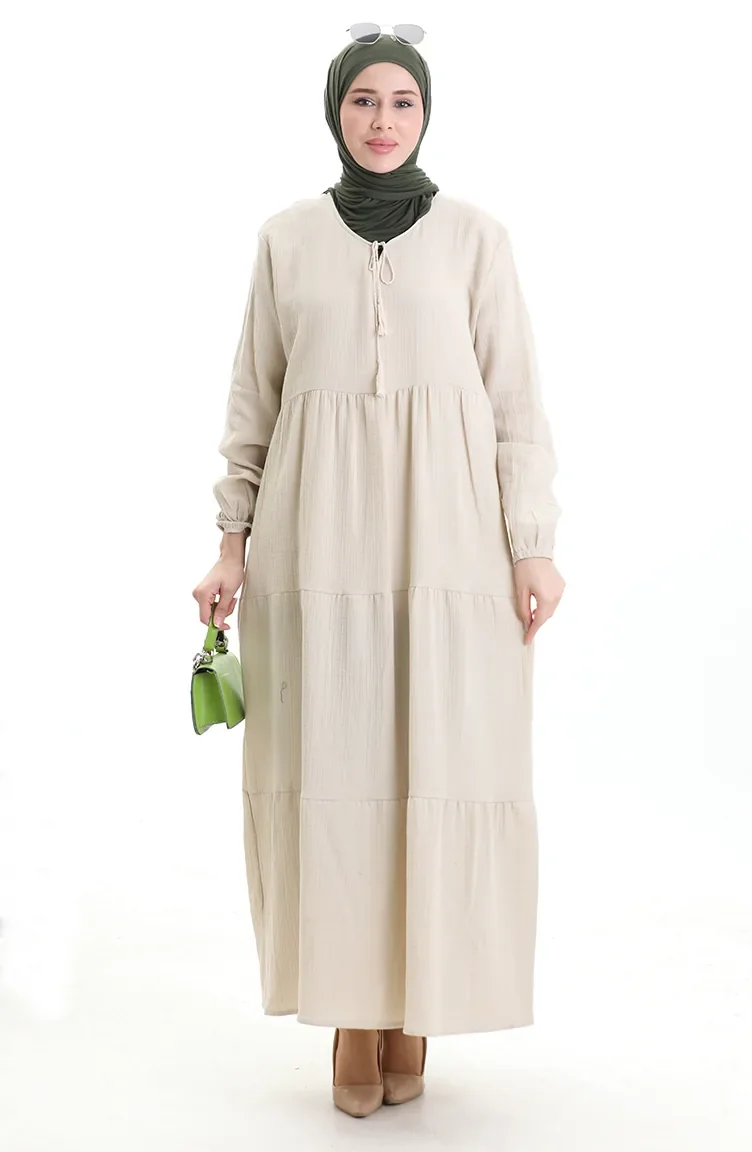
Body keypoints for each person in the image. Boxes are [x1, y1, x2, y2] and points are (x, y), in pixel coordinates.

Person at [192, 28, 565, 1119]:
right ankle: (353, 1016)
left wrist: (532, 541)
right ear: (335, 111)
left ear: (425, 113)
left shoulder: (477, 238)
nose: (383, 119)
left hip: (450, 547)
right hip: (314, 545)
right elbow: (252, 402)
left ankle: (415, 1005)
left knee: (436, 760)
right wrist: (229, 542)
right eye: (364, 100)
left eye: (403, 100)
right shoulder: (285, 239)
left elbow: (515, 403)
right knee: (334, 767)